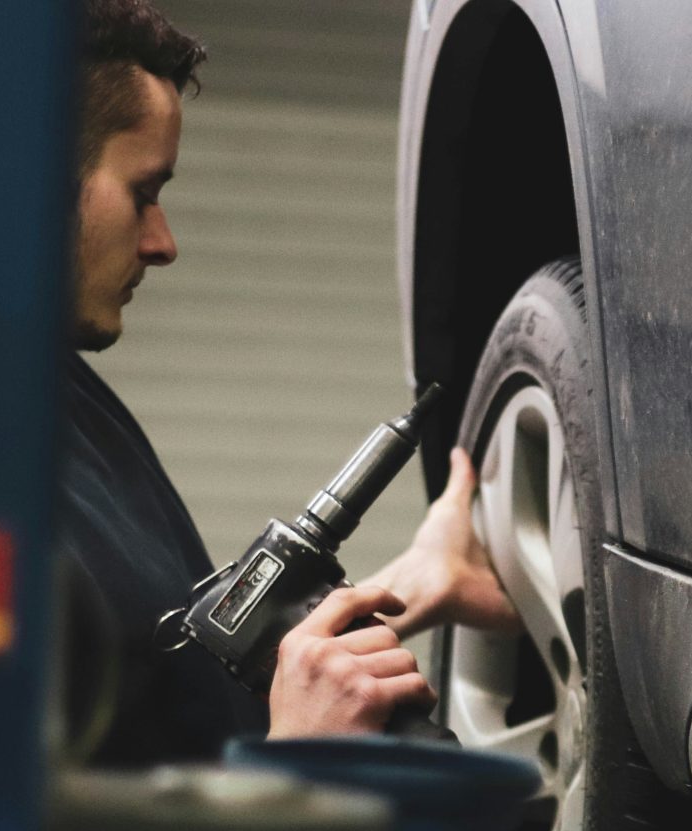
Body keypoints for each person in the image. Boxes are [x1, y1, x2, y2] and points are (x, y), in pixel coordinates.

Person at [60, 0, 514, 765]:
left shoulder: (63, 400)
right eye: (144, 191)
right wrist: (298, 756)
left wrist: (415, 582)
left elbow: (170, 692)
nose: (162, 242)